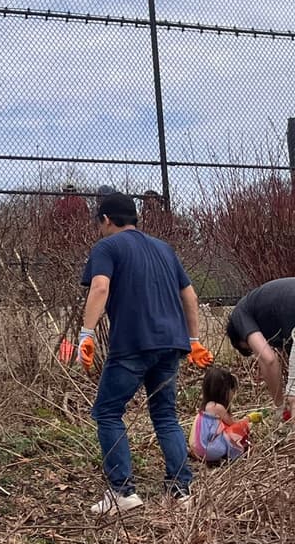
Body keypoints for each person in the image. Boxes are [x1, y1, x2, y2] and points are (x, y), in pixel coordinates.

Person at [77, 191, 211, 514]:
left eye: (99, 223)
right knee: (165, 414)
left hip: (132, 344)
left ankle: (122, 492)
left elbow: (99, 288)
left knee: (108, 412)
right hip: (171, 344)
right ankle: (182, 491)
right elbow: (190, 295)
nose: (99, 229)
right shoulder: (164, 249)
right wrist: (193, 339)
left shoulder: (106, 247)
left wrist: (87, 332)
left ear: (106, 220)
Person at [225, 278, 295, 418]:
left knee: (293, 397)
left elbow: (268, 359)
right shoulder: (268, 315)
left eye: (251, 349)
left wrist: (279, 406)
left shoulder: (239, 314)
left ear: (241, 339)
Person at [188, 365, 250, 465]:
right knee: (238, 431)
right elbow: (232, 424)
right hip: (208, 449)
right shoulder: (218, 408)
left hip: (197, 446)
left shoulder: (206, 406)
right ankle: (234, 455)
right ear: (224, 391)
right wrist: (247, 420)